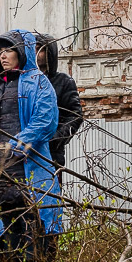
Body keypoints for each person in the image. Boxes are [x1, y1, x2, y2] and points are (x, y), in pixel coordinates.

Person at [0, 30, 61, 262]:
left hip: (27, 169)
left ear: (22, 52)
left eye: (9, 50)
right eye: (0, 51)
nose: (3, 56)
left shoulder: (38, 82)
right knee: (8, 226)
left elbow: (45, 120)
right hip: (0, 172)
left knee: (33, 225)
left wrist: (19, 143)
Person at [36, 34, 84, 171]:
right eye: (32, 49)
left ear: (50, 52)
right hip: (24, 154)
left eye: (40, 49)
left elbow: (75, 116)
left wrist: (54, 139)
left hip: (52, 155)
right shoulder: (24, 82)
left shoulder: (63, 81)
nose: (35, 53)